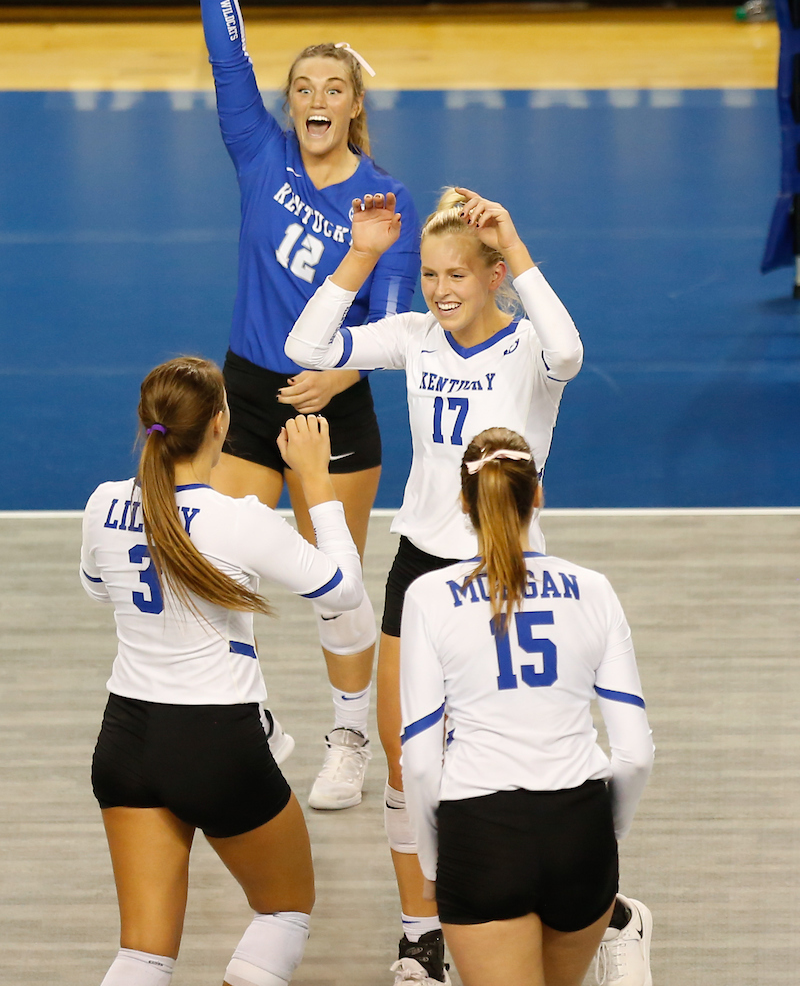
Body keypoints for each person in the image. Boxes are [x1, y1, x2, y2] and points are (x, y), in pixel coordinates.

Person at [285, 186, 593, 983]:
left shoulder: (529, 350)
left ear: (493, 277)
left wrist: (513, 242)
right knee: (404, 758)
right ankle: (420, 935)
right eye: (428, 274)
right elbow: (308, 344)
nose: (441, 290)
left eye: (458, 274)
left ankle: (580, 910)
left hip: (504, 572)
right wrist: (363, 254)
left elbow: (569, 352)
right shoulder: (415, 338)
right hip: (420, 569)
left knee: (507, 758)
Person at [193, 0, 421, 810]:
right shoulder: (260, 154)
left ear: (355, 105)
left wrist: (342, 374)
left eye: (332, 88)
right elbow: (227, 57)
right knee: (225, 567)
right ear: (289, 103)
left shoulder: (385, 202)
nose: (315, 100)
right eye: (302, 88)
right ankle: (247, 716)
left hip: (334, 405)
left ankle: (349, 737)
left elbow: (396, 323)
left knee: (338, 587)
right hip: (248, 394)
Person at [81, 355, 365, 986]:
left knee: (142, 955)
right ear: (220, 423)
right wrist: (316, 484)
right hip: (216, 744)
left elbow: (99, 587)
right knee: (283, 912)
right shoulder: (240, 520)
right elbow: (343, 591)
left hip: (125, 740)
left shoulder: (103, 503)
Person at [399, 427, 655, 986]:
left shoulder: (428, 598)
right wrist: (603, 835)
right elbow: (635, 754)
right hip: (580, 828)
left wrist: (432, 864)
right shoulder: (594, 589)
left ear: (464, 502)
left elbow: (419, 763)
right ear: (536, 494)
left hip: (480, 835)